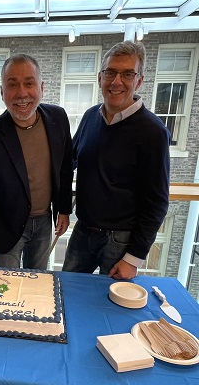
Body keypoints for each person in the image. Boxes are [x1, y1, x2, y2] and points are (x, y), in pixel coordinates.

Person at [62, 41, 170, 280]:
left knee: (111, 305)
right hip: (83, 231)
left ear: (139, 80)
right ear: (101, 77)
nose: (116, 81)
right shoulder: (91, 117)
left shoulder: (154, 132)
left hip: (121, 241)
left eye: (127, 74)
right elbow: (68, 163)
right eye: (110, 72)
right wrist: (61, 208)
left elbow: (158, 203)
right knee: (66, 292)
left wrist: (133, 258)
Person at [0, 53, 73, 292]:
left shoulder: (58, 118)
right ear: (2, 92)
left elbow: (65, 165)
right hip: (7, 226)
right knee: (7, 286)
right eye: (12, 84)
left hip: (46, 222)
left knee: (39, 284)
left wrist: (64, 208)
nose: (22, 93)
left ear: (41, 87)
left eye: (29, 83)